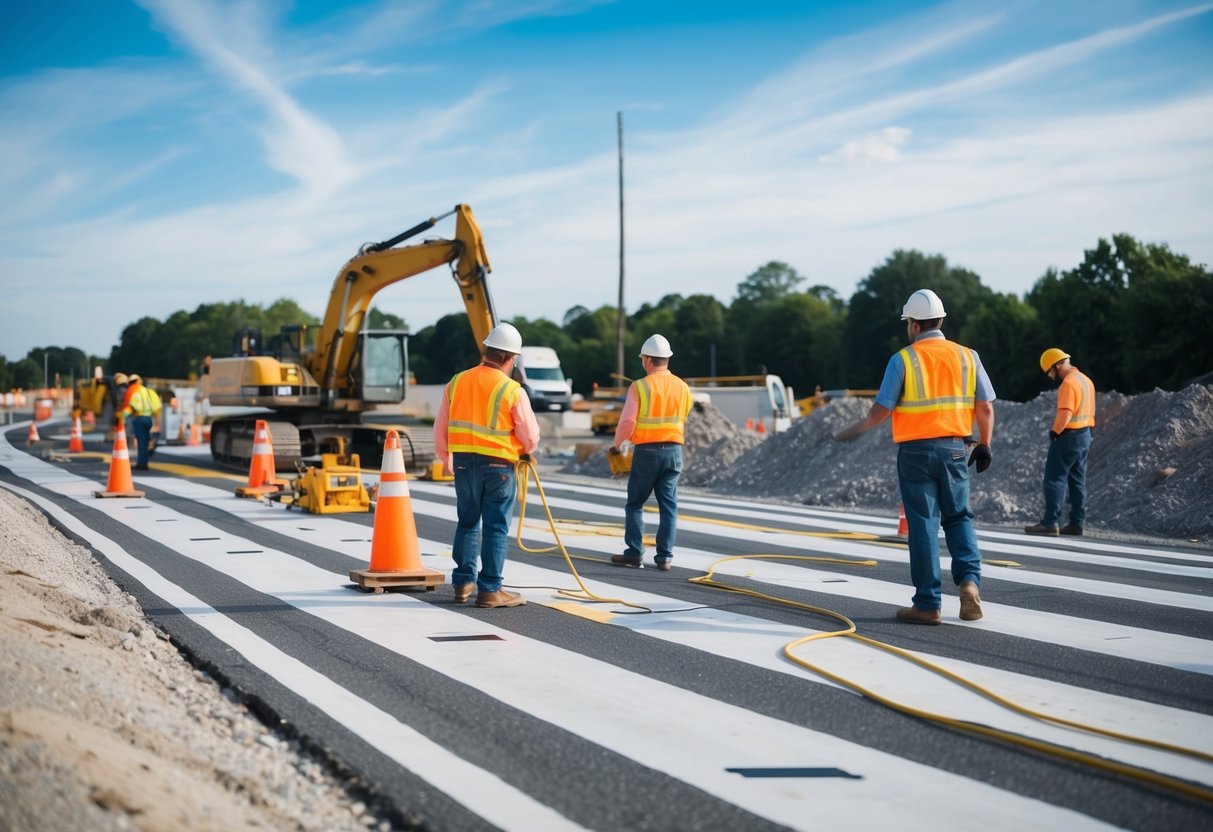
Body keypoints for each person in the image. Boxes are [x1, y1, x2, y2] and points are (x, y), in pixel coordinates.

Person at [834, 289, 995, 624]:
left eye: (908, 322)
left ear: (914, 325)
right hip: (954, 448)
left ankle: (928, 604)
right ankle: (968, 583)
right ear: (940, 320)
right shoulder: (968, 356)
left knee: (922, 525)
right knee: (959, 518)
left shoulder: (903, 359)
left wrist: (857, 428)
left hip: (916, 453)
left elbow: (882, 409)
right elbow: (985, 406)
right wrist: (985, 443)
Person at [434, 322, 540, 608]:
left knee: (467, 522)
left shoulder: (456, 382)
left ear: (487, 350)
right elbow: (529, 436)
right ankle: (490, 589)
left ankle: (463, 582)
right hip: (499, 468)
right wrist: (526, 450)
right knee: (495, 527)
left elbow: (440, 426)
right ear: (511, 358)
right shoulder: (512, 389)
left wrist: (446, 458)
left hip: (464, 465)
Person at [610, 334, 693, 571]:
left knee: (635, 503)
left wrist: (617, 445)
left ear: (647, 360)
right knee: (669, 505)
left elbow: (627, 423)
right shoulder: (683, 387)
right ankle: (665, 556)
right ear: (667, 359)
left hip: (647, 452)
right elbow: (684, 415)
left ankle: (635, 553)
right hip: (674, 452)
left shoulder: (640, 387)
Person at [1025, 349, 1096, 537]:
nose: (1050, 376)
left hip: (1069, 435)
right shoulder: (1085, 380)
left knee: (1054, 478)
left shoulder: (1069, 383)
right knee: (1077, 480)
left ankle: (1050, 523)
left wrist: (1054, 432)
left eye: (1050, 371)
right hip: (1085, 434)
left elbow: (1066, 412)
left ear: (1057, 365)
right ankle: (1076, 523)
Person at [119, 373, 162, 471]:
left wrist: (121, 417)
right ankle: (144, 460)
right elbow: (157, 406)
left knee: (141, 442)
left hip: (139, 419)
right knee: (145, 441)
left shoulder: (134, 392)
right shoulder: (149, 391)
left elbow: (131, 407)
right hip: (148, 419)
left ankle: (142, 464)